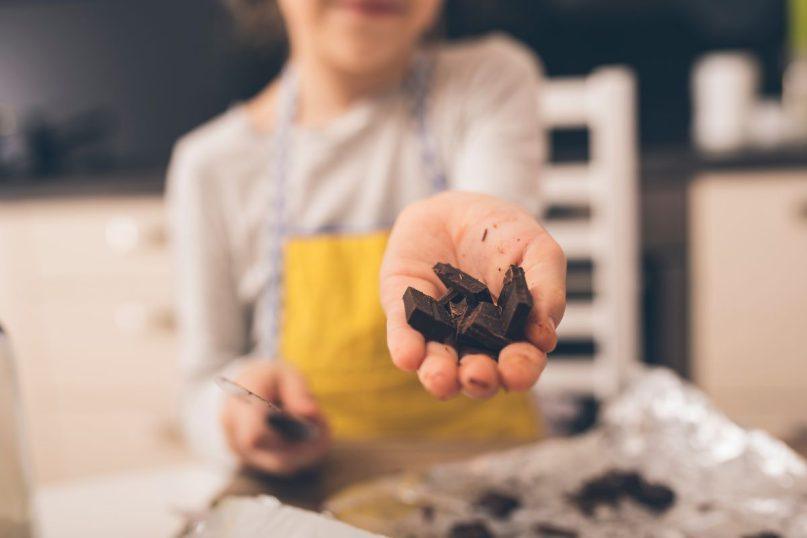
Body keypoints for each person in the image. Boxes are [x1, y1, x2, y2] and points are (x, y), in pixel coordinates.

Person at [167, 0, 566, 476]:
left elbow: (494, 234)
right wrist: (236, 411)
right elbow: (201, 384)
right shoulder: (210, 166)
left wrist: (483, 239)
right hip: (318, 486)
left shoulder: (488, 81)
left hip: (495, 468)